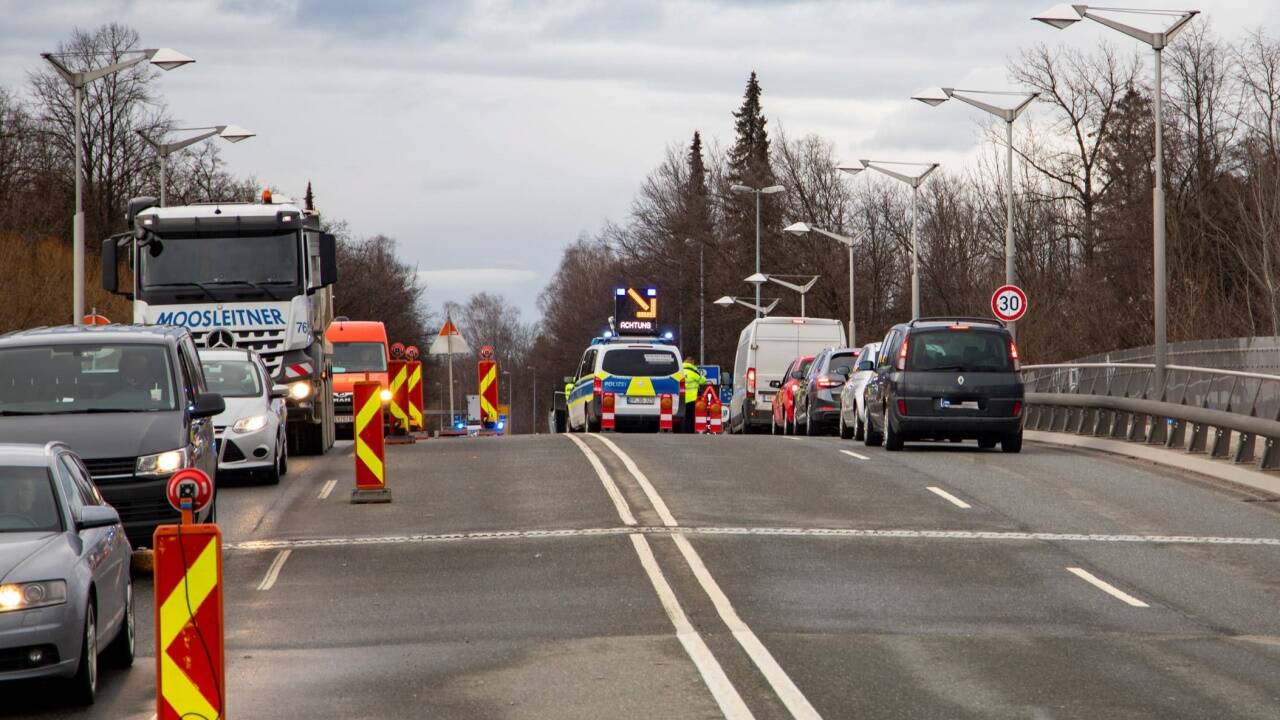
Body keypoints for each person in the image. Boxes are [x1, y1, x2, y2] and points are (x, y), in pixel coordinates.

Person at [681, 356, 705, 433]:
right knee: (691, 417)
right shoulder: (693, 372)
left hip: (681, 398)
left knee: (683, 417)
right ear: (692, 362)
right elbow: (703, 381)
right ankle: (690, 432)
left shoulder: (680, 371)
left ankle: (683, 431)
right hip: (692, 399)